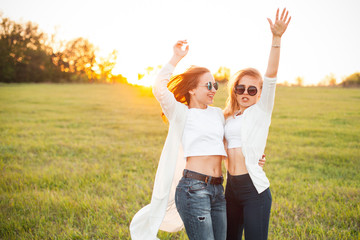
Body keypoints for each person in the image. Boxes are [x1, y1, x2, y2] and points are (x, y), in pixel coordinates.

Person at [130, 40, 228, 240]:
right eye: (208, 85)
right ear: (192, 89)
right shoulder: (181, 112)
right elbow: (159, 88)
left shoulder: (217, 114)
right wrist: (176, 57)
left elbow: (229, 143)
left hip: (218, 189)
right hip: (194, 188)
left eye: (215, 85)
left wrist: (254, 159)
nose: (214, 90)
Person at [223, 8, 291, 240]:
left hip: (254, 191)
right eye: (240, 88)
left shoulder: (261, 111)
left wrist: (276, 39)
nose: (246, 93)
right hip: (230, 189)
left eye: (252, 89)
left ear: (260, 93)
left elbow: (271, 74)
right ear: (234, 90)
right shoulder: (226, 116)